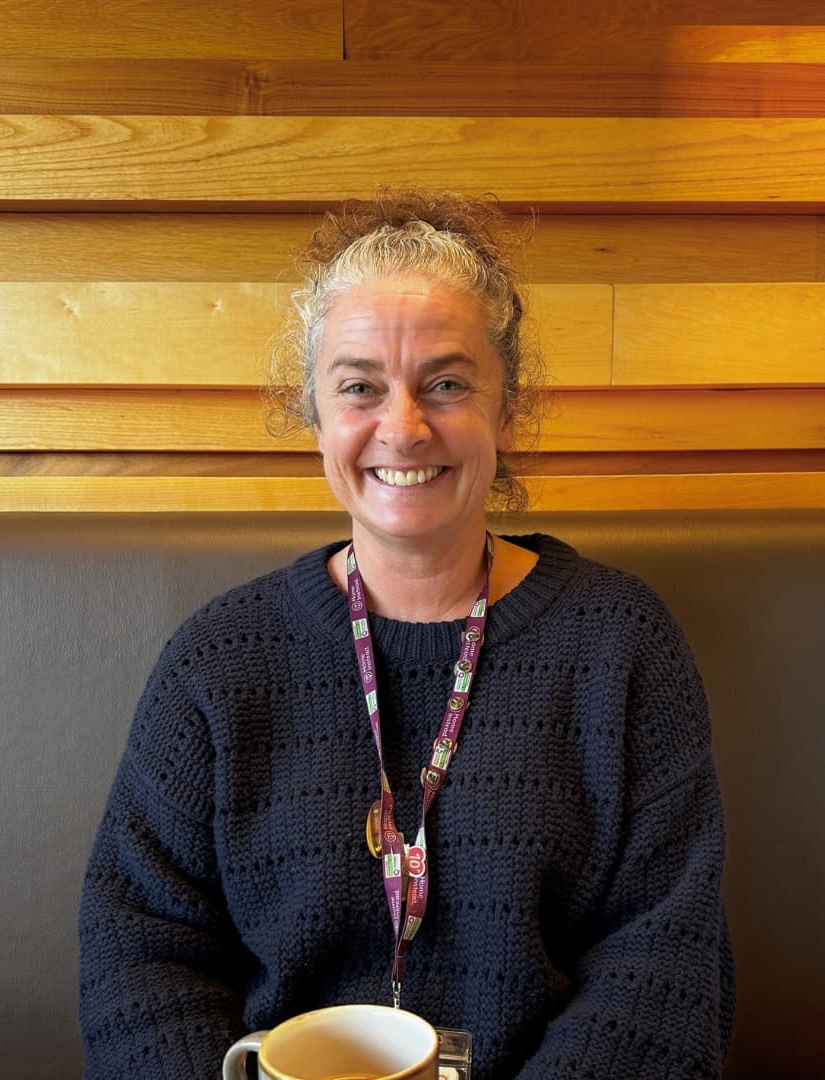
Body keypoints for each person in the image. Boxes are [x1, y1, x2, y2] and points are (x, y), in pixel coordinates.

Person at [79, 189, 735, 1078]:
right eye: (359, 387)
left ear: (508, 409)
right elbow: (140, 957)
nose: (404, 427)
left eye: (448, 383)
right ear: (314, 417)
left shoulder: (619, 644)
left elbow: (665, 963)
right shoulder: (217, 664)